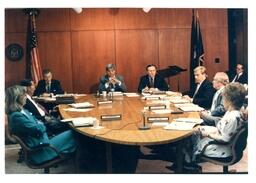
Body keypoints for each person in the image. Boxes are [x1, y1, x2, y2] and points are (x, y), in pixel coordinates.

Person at [5, 85, 76, 165]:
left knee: (74, 135)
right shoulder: (16, 116)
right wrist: (39, 124)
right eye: (23, 95)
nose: (26, 97)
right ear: (16, 98)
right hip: (41, 150)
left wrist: (39, 124)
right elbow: (39, 128)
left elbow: (38, 123)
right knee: (74, 134)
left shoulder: (23, 110)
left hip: (44, 141)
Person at [183, 83, 246, 171]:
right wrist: (202, 129)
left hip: (223, 150)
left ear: (229, 99)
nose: (223, 100)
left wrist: (209, 135)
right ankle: (189, 163)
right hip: (225, 145)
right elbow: (221, 128)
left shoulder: (233, 117)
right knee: (195, 131)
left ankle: (189, 165)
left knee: (189, 139)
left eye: (223, 98)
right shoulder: (232, 112)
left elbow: (225, 139)